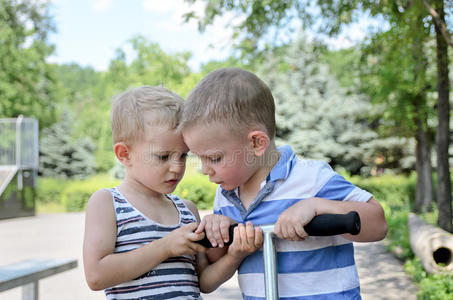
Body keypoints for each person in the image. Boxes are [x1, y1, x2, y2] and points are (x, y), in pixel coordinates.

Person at [179, 68, 388, 299]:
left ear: (257, 143)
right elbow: (217, 264)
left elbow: (378, 224)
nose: (205, 169)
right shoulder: (226, 195)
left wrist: (316, 206)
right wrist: (218, 230)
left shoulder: (311, 178)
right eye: (199, 158)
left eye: (215, 158)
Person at [83, 85, 263, 299]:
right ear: (124, 154)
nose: (177, 167)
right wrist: (165, 247)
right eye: (163, 156)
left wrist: (234, 256)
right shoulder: (107, 203)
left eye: (183, 156)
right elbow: (96, 275)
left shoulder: (187, 210)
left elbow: (203, 281)